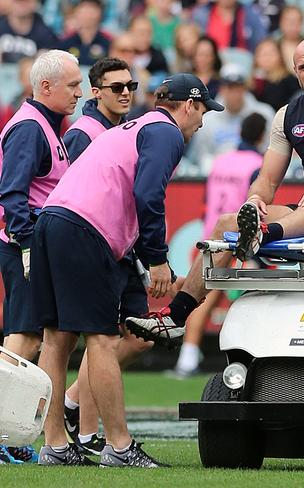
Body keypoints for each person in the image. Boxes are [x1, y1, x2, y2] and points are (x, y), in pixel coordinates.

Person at [125, 37, 304, 347]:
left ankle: (261, 236)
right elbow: (267, 181)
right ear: (295, 71)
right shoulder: (287, 115)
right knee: (228, 223)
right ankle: (176, 315)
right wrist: (255, 199)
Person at [32, 73, 223, 467]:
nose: (201, 122)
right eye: (202, 111)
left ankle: (55, 445)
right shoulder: (166, 132)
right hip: (85, 228)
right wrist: (156, 259)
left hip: (52, 220)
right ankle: (119, 448)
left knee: (55, 340)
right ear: (188, 105)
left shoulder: (134, 125)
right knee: (101, 340)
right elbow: (147, 194)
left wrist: (152, 261)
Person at [60, 57, 154, 456]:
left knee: (134, 336)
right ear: (95, 92)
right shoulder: (85, 133)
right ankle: (83, 430)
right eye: (116, 88)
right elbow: (82, 195)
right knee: (98, 337)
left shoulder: (118, 129)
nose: (126, 93)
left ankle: (72, 405)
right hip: (93, 240)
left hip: (118, 243)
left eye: (130, 86)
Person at [0, 49, 83, 465]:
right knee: (23, 338)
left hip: (31, 244)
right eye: (72, 85)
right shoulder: (31, 128)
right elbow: (13, 192)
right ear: (45, 86)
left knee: (31, 337)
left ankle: (10, 433)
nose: (80, 92)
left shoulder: (44, 125)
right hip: (24, 246)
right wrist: (29, 241)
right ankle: (2, 432)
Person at [174, 112, 267, 377]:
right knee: (251, 300)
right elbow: (256, 205)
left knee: (203, 298)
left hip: (213, 235)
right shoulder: (257, 165)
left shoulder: (220, 162)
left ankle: (188, 357)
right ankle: (252, 361)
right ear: (261, 136)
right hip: (238, 237)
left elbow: (206, 201)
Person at [58, 0, 112, 66]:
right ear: (76, 12)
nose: (87, 14)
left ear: (100, 12)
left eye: (92, 9)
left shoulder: (108, 41)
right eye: (84, 9)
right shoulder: (65, 41)